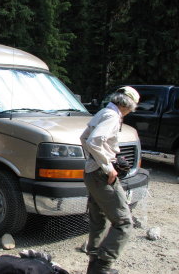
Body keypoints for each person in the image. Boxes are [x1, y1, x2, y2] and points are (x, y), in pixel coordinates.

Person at [80, 86, 140, 274]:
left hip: (91, 173)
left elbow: (84, 138)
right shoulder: (113, 117)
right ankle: (103, 267)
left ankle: (93, 266)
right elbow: (93, 141)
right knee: (123, 222)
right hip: (101, 175)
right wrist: (108, 166)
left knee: (99, 220)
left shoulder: (103, 112)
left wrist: (94, 159)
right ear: (128, 105)